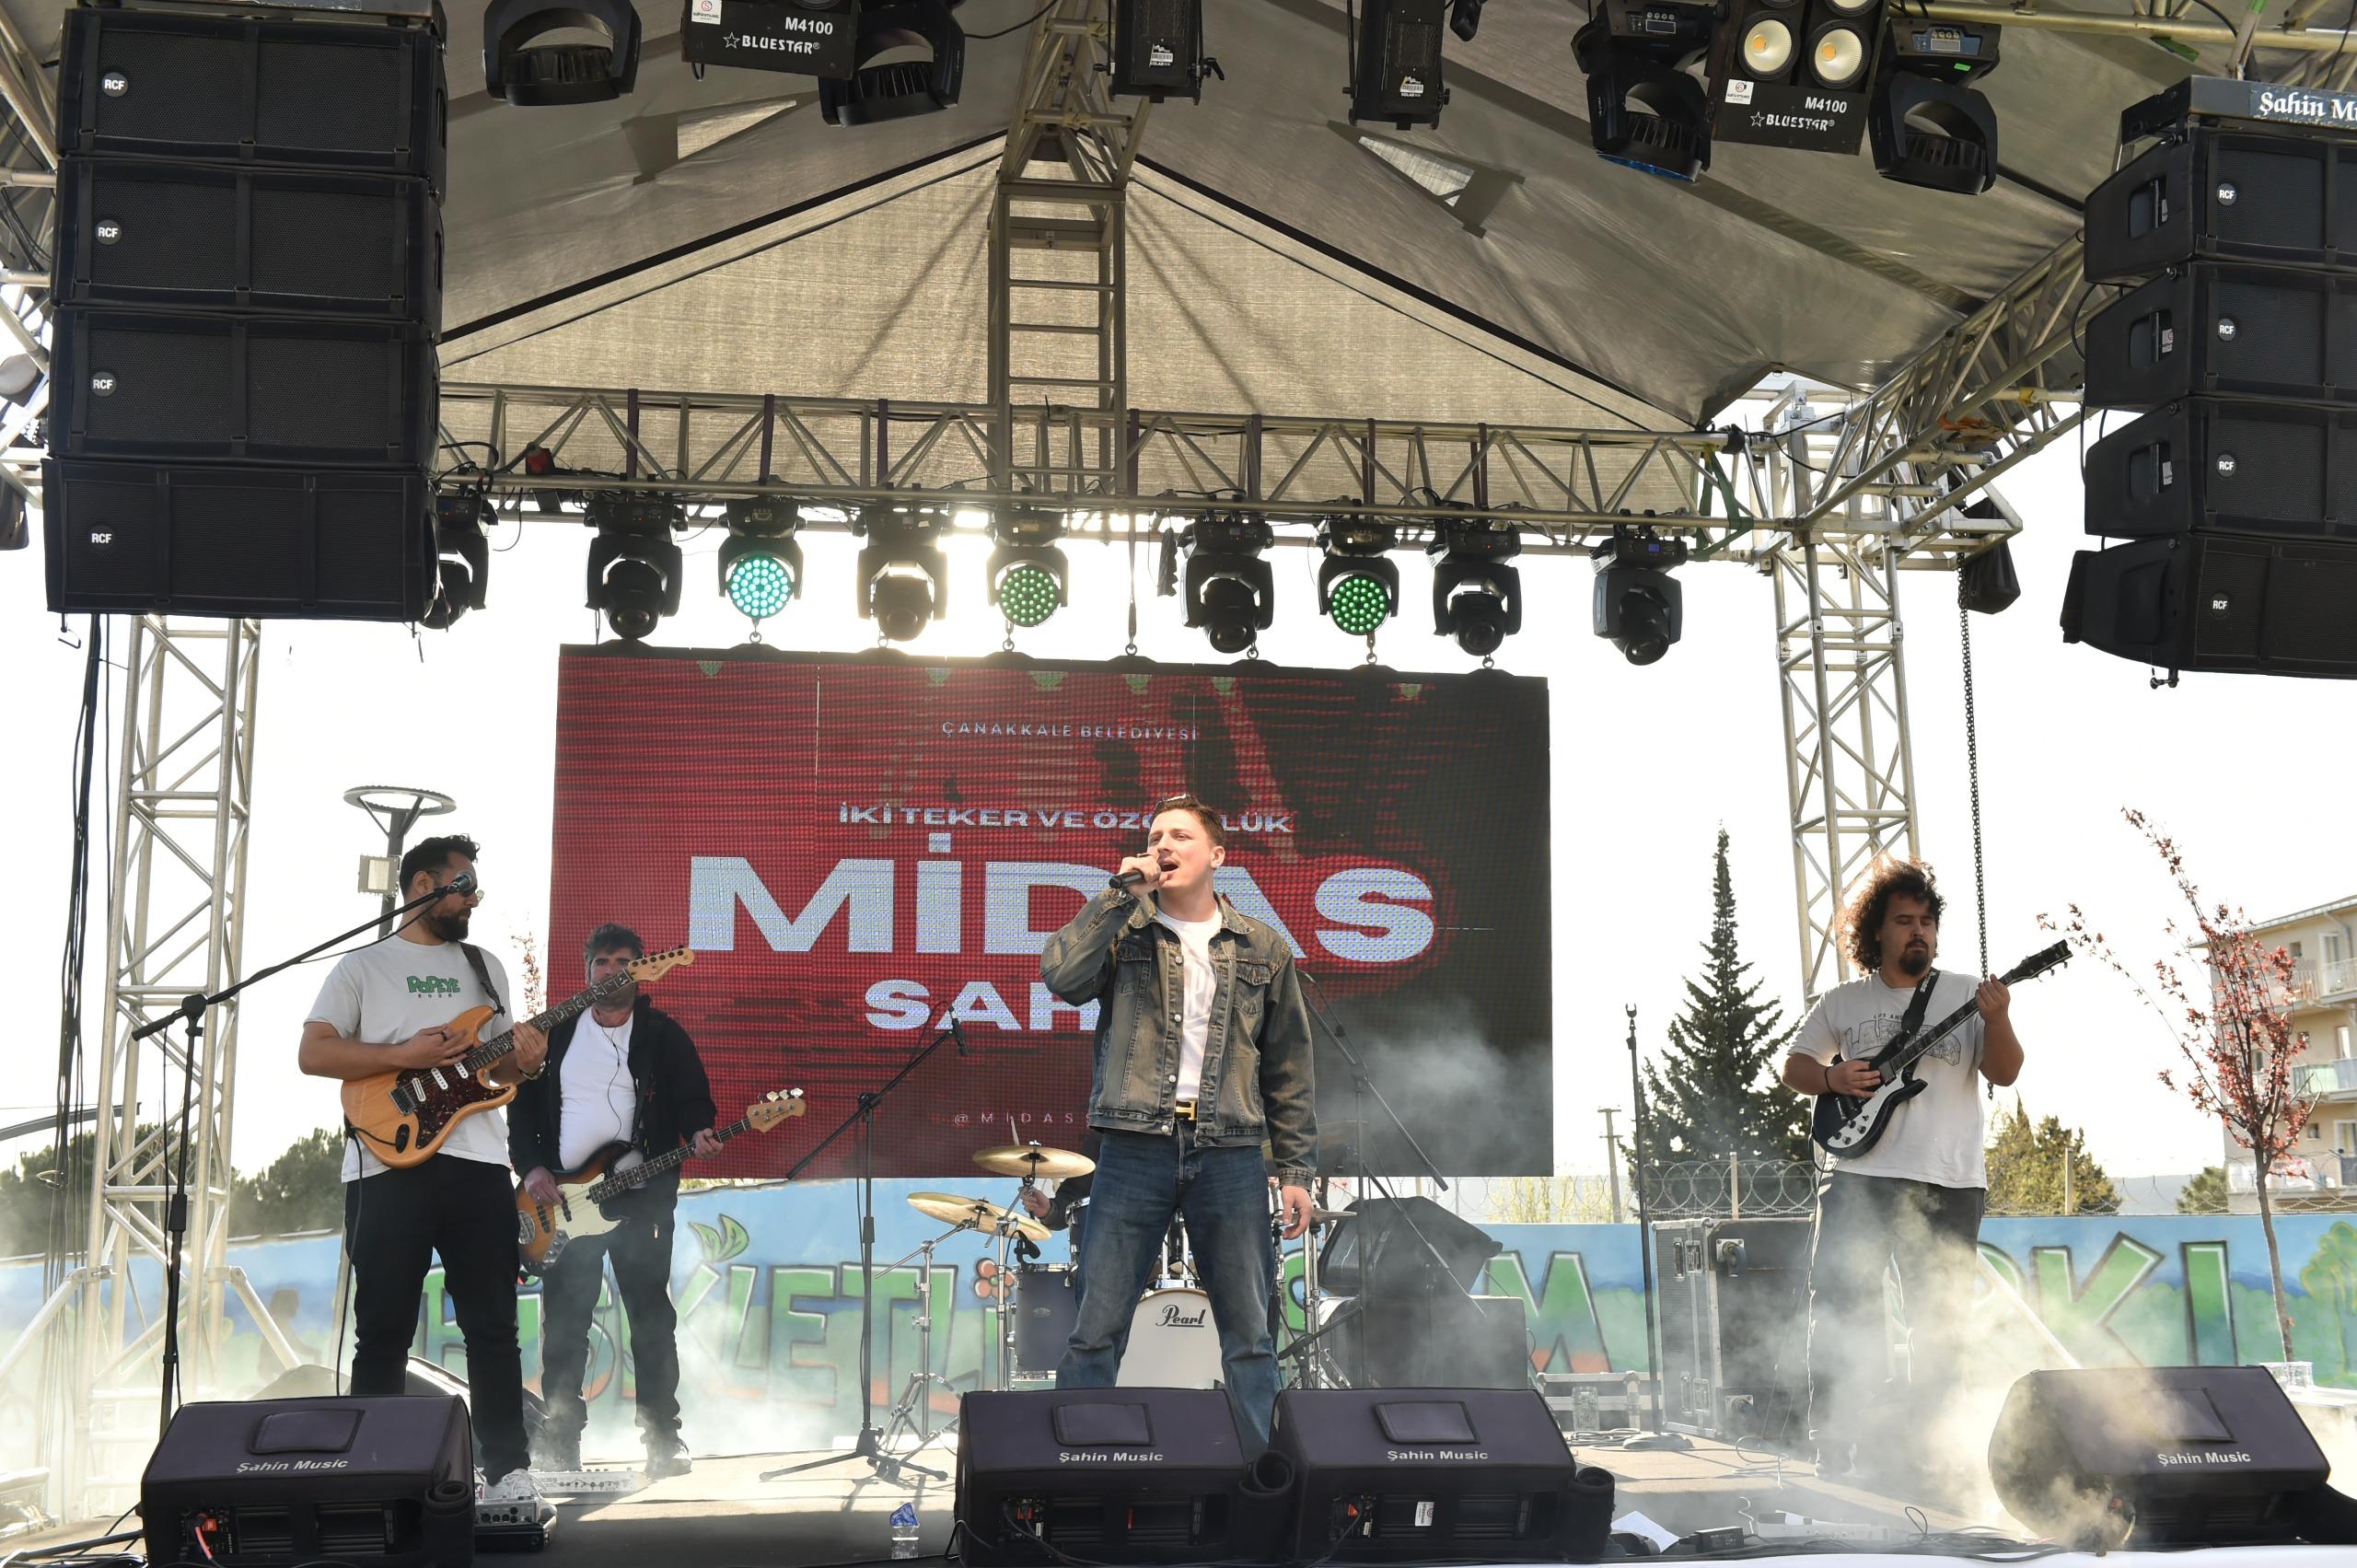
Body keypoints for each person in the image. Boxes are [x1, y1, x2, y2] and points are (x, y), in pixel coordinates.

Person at [1040, 792, 1316, 1454]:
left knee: (1250, 1335)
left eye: (1180, 836)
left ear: (1217, 854)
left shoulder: (1262, 946)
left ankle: (1261, 1476)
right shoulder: (1125, 930)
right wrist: (1119, 894)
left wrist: (1296, 1171)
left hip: (1230, 1150)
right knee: (1096, 1327)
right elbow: (1063, 977)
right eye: (1155, 836)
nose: (1163, 845)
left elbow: (1289, 1068)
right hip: (1134, 1145)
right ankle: (1075, 1472)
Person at [299, 834, 548, 1505]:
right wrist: (403, 1053)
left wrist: (525, 1062)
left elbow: (496, 1071)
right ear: (421, 886)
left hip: (477, 1163)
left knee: (493, 1326)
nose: (473, 900)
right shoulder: (362, 966)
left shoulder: (486, 968)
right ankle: (373, 1476)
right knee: (382, 1329)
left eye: (475, 889)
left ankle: (508, 1472)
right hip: (384, 1163)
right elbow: (314, 1053)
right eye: (463, 887)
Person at [1781, 858, 2025, 1484]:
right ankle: (1835, 1444)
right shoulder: (1844, 1001)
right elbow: (1795, 1068)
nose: (1919, 931)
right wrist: (1834, 1076)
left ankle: (1928, 1454)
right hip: (1860, 1177)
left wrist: (1998, 1018)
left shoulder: (1966, 993)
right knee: (1843, 1306)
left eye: (1927, 921)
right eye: (1904, 921)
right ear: (1877, 931)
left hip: (1949, 1180)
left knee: (1940, 1323)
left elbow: (2005, 1072)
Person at [510, 923, 718, 1478]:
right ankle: (560, 1442)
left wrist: (701, 1130)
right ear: (587, 970)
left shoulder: (662, 1035)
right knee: (564, 1327)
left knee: (651, 1319)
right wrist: (532, 1169)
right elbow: (522, 1111)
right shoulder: (555, 1033)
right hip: (564, 1205)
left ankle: (662, 1438)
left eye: (623, 961)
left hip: (641, 1201)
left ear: (642, 969)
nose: (611, 971)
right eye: (601, 962)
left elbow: (694, 1100)